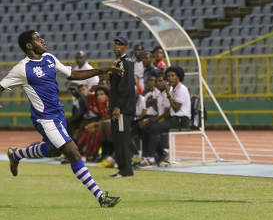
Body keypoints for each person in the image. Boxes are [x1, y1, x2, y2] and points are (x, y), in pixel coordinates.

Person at [1, 30, 121, 207]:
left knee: (54, 151)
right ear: (29, 46)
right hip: (44, 118)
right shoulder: (21, 68)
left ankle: (17, 154)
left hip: (58, 114)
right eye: (37, 39)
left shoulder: (49, 58)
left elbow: (73, 75)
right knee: (72, 150)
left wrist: (105, 70)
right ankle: (101, 197)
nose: (42, 40)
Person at [142, 66, 191, 164]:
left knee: (154, 128)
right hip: (174, 119)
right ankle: (156, 154)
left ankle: (151, 157)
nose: (170, 78)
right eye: (168, 76)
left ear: (179, 77)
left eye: (173, 76)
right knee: (147, 127)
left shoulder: (181, 89)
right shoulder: (174, 89)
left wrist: (168, 94)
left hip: (181, 120)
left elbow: (176, 108)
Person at [109, 36, 136, 178]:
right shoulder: (118, 63)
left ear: (126, 47)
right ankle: (123, 169)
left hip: (122, 109)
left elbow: (125, 86)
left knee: (122, 139)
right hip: (117, 106)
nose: (116, 47)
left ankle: (126, 170)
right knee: (118, 138)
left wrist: (118, 106)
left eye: (120, 44)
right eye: (115, 44)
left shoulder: (126, 63)